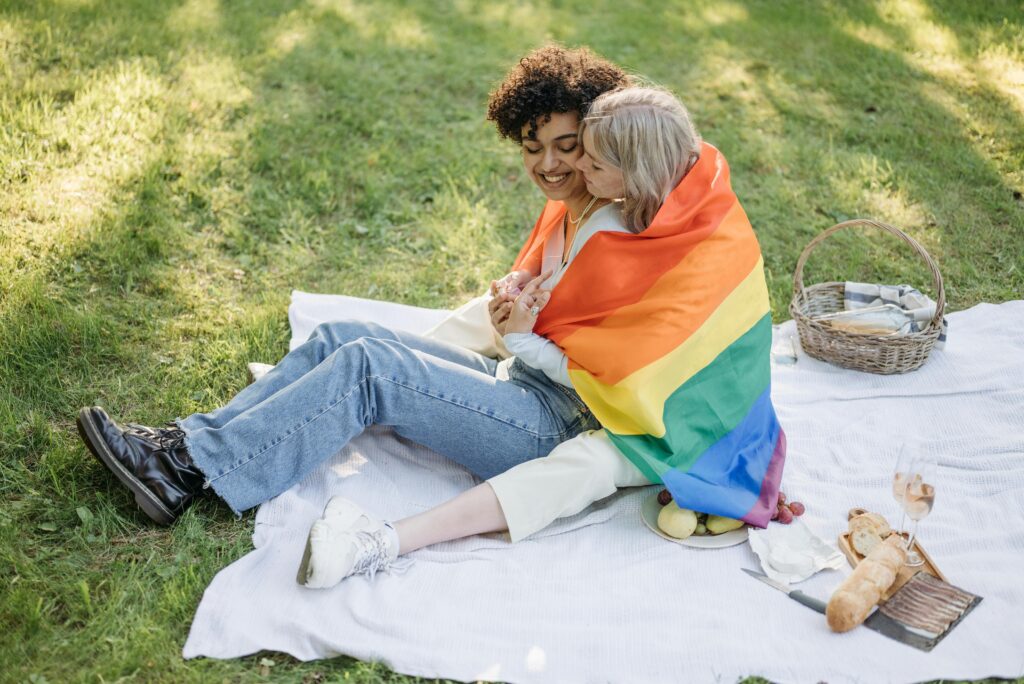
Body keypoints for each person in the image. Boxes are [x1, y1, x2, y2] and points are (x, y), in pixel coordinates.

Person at [75, 47, 629, 532]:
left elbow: (607, 367)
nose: (549, 164)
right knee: (344, 334)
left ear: (598, 141)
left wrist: (521, 331)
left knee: (370, 368)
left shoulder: (613, 229)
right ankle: (182, 442)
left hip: (551, 425)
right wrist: (516, 303)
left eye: (567, 146)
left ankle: (187, 474)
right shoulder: (565, 215)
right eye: (534, 147)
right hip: (518, 382)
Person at [299, 86, 786, 589]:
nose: (581, 173)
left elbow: (632, 372)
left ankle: (379, 543)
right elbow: (607, 341)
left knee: (586, 466)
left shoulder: (700, 233)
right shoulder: (657, 199)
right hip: (619, 396)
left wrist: (526, 341)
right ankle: (324, 416)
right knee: (383, 344)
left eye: (593, 163)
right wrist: (525, 314)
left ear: (636, 172)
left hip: (694, 422)